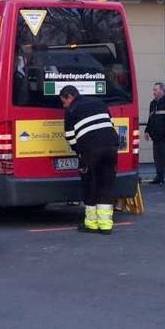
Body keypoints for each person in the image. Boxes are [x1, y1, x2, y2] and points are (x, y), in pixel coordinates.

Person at [60, 85, 120, 234]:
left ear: (69, 97)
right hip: (111, 146)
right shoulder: (99, 103)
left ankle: (92, 224)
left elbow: (70, 137)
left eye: (64, 102)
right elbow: (110, 124)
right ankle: (106, 225)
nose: (64, 105)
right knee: (106, 184)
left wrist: (79, 152)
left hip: (91, 150)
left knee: (90, 184)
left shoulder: (71, 110)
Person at [144, 82, 165, 184]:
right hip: (155, 135)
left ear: (161, 90)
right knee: (157, 157)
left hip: (164, 135)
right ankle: (159, 176)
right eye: (153, 90)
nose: (153, 92)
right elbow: (150, 119)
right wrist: (147, 131)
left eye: (155, 89)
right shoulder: (153, 103)